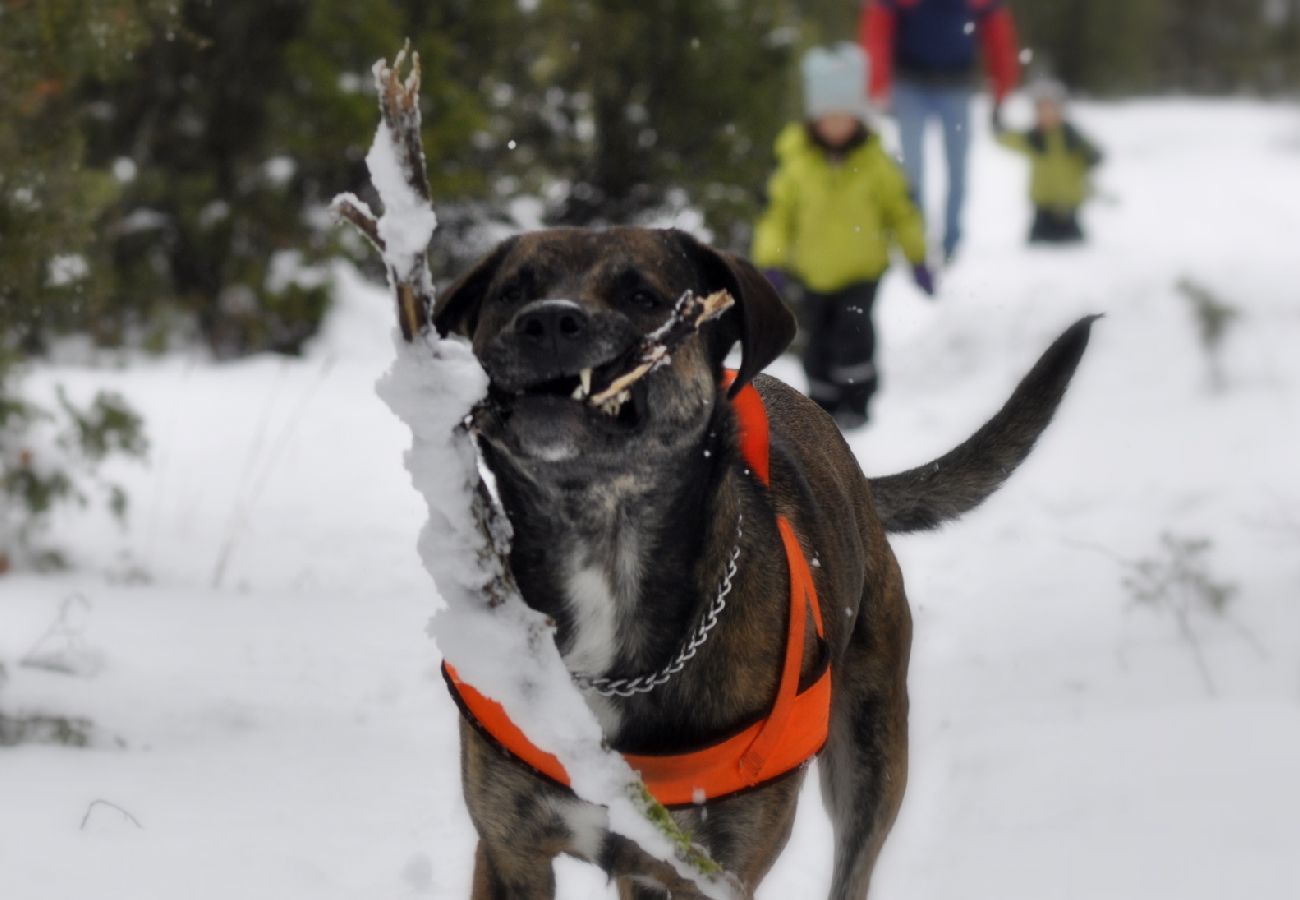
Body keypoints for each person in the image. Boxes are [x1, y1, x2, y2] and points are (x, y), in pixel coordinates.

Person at [752, 43, 934, 431]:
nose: (836, 125)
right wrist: (771, 261)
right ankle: (821, 405)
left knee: (853, 339)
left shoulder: (876, 164)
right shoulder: (796, 164)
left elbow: (901, 213)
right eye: (827, 117)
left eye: (844, 117)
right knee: (816, 343)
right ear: (814, 120)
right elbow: (777, 216)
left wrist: (917, 258)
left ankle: (856, 402)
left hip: (861, 273)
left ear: (858, 118)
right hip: (812, 273)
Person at [860, 0, 1020, 262]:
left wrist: (1001, 93)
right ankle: (916, 241)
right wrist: (877, 87)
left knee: (957, 170)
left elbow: (999, 39)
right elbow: (877, 28)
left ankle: (951, 242)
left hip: (956, 86)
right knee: (912, 171)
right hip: (909, 85)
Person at [993, 78, 1103, 243]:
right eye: (1041, 110)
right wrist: (997, 125)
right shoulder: (1032, 139)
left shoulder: (1072, 137)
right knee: (1037, 245)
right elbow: (1008, 139)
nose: (1045, 115)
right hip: (1042, 207)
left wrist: (1093, 157)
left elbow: (1094, 154)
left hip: (1069, 207)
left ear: (1060, 110)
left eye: (1050, 109)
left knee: (1075, 247)